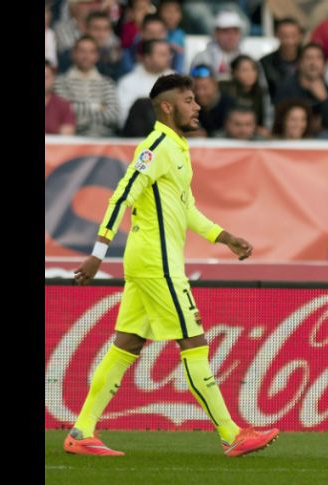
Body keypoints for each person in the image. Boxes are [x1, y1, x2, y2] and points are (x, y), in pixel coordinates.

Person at [65, 74, 280, 457]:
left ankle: (81, 432)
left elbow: (187, 209)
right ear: (167, 107)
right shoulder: (157, 146)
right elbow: (121, 195)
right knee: (194, 342)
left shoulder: (177, 148)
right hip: (157, 262)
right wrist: (98, 252)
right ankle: (231, 433)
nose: (197, 107)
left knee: (127, 344)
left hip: (149, 260)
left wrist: (225, 237)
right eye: (188, 100)